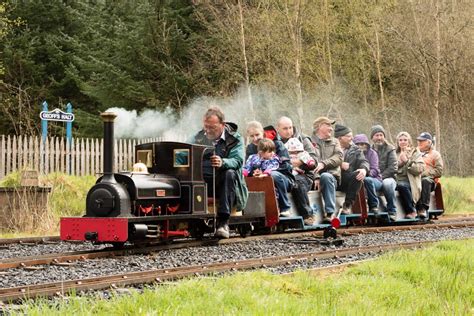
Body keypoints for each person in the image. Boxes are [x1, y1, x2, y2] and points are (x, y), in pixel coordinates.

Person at [191, 106, 248, 239]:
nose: (208, 131)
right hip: (204, 181)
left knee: (230, 173)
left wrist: (223, 162)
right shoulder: (197, 138)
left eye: (212, 127)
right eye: (206, 126)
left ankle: (223, 222)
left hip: (226, 184)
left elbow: (238, 160)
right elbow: (184, 152)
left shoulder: (236, 139)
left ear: (222, 125)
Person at [245, 121, 294, 217]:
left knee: (273, 175)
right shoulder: (250, 148)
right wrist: (253, 173)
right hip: (261, 178)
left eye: (257, 135)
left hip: (283, 179)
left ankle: (285, 207)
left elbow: (286, 166)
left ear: (262, 133)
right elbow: (248, 165)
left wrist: (267, 172)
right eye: (252, 136)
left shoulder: (276, 144)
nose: (255, 138)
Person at [276, 116, 317, 225]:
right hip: (283, 173)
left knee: (297, 182)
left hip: (304, 174)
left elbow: (314, 161)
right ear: (278, 129)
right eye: (285, 128)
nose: (288, 131)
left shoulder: (303, 139)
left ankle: (307, 215)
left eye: (290, 128)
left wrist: (300, 162)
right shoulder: (274, 142)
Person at [310, 117, 342, 223]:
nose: (331, 129)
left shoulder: (335, 142)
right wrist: (316, 176)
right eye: (328, 125)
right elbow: (309, 160)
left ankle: (329, 213)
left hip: (332, 177)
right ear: (320, 126)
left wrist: (324, 164)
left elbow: (339, 157)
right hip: (312, 178)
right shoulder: (309, 142)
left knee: (326, 176)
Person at [334, 124, 369, 216]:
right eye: (349, 136)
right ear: (340, 138)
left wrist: (364, 169)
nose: (352, 138)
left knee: (358, 174)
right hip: (333, 177)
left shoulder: (355, 149)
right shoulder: (330, 146)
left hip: (346, 179)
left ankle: (348, 204)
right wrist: (339, 164)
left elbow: (364, 161)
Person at [370, 125, 398, 220]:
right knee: (368, 182)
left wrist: (381, 177)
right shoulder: (369, 149)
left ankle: (392, 210)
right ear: (372, 137)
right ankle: (374, 209)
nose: (379, 138)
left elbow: (393, 167)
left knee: (387, 184)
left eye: (381, 135)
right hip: (375, 178)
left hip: (388, 177)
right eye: (376, 135)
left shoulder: (390, 149)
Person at [395, 132, 425, 219]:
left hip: (410, 181)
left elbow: (420, 169)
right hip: (395, 180)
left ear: (409, 141)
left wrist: (407, 162)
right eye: (400, 140)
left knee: (402, 186)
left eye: (405, 140)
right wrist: (400, 164)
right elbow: (390, 168)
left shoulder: (415, 153)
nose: (403, 142)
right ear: (397, 142)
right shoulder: (394, 153)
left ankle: (411, 211)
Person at [415, 132, 443, 218]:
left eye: (422, 141)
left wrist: (425, 173)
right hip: (415, 178)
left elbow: (439, 171)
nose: (419, 142)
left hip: (430, 181)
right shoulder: (414, 153)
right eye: (418, 141)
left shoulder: (435, 154)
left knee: (425, 180)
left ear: (429, 142)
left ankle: (423, 208)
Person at [353, 134, 382, 213]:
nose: (360, 147)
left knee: (368, 180)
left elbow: (375, 170)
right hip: (358, 178)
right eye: (357, 144)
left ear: (366, 144)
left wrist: (365, 174)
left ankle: (374, 205)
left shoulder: (372, 154)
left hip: (375, 179)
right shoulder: (351, 154)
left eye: (362, 144)